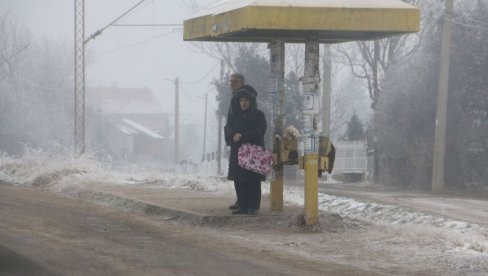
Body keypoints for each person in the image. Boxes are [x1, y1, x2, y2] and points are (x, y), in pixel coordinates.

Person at [224, 88, 267, 215]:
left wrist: (242, 136)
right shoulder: (234, 115)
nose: (243, 103)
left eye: (246, 100)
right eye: (241, 100)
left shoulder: (258, 115)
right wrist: (233, 135)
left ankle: (253, 207)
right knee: (239, 180)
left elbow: (260, 132)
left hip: (253, 152)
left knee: (253, 181)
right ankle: (242, 206)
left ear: (251, 102)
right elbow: (228, 129)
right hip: (237, 152)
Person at [226, 73, 259, 211]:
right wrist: (232, 136)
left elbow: (257, 129)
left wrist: (241, 136)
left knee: (249, 178)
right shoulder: (234, 98)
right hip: (237, 144)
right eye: (230, 81)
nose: (231, 84)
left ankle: (250, 205)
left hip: (249, 147)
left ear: (242, 82)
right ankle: (241, 201)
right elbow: (230, 123)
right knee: (237, 176)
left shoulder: (247, 96)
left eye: (235, 81)